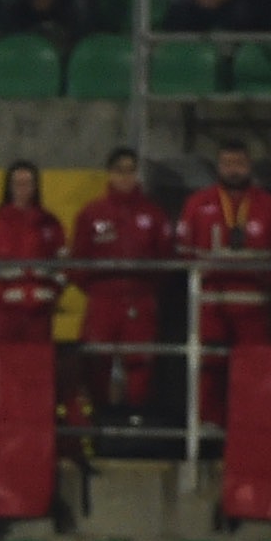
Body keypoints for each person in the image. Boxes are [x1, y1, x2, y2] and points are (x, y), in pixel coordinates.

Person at [175, 138, 271, 426]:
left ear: (249, 166)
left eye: (239, 164)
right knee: (208, 369)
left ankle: (253, 426)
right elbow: (182, 253)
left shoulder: (269, 207)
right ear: (218, 166)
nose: (233, 170)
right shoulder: (197, 204)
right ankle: (206, 430)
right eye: (228, 164)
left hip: (253, 307)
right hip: (209, 304)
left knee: (255, 368)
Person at [69, 148, 169, 413]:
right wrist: (99, 288)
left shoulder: (153, 214)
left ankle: (135, 419)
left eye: (131, 171)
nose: (126, 178)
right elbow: (77, 261)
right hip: (102, 300)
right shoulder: (92, 214)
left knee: (140, 361)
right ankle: (99, 420)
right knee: (96, 360)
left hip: (140, 300)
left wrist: (144, 288)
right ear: (110, 174)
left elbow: (166, 258)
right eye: (120, 171)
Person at [0, 158, 70, 348]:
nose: (23, 188)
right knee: (4, 366)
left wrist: (49, 294)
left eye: (28, 183)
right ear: (9, 186)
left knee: (36, 369)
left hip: (40, 315)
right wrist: (0, 296)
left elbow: (64, 264)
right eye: (17, 183)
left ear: (36, 186)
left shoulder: (50, 223)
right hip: (4, 315)